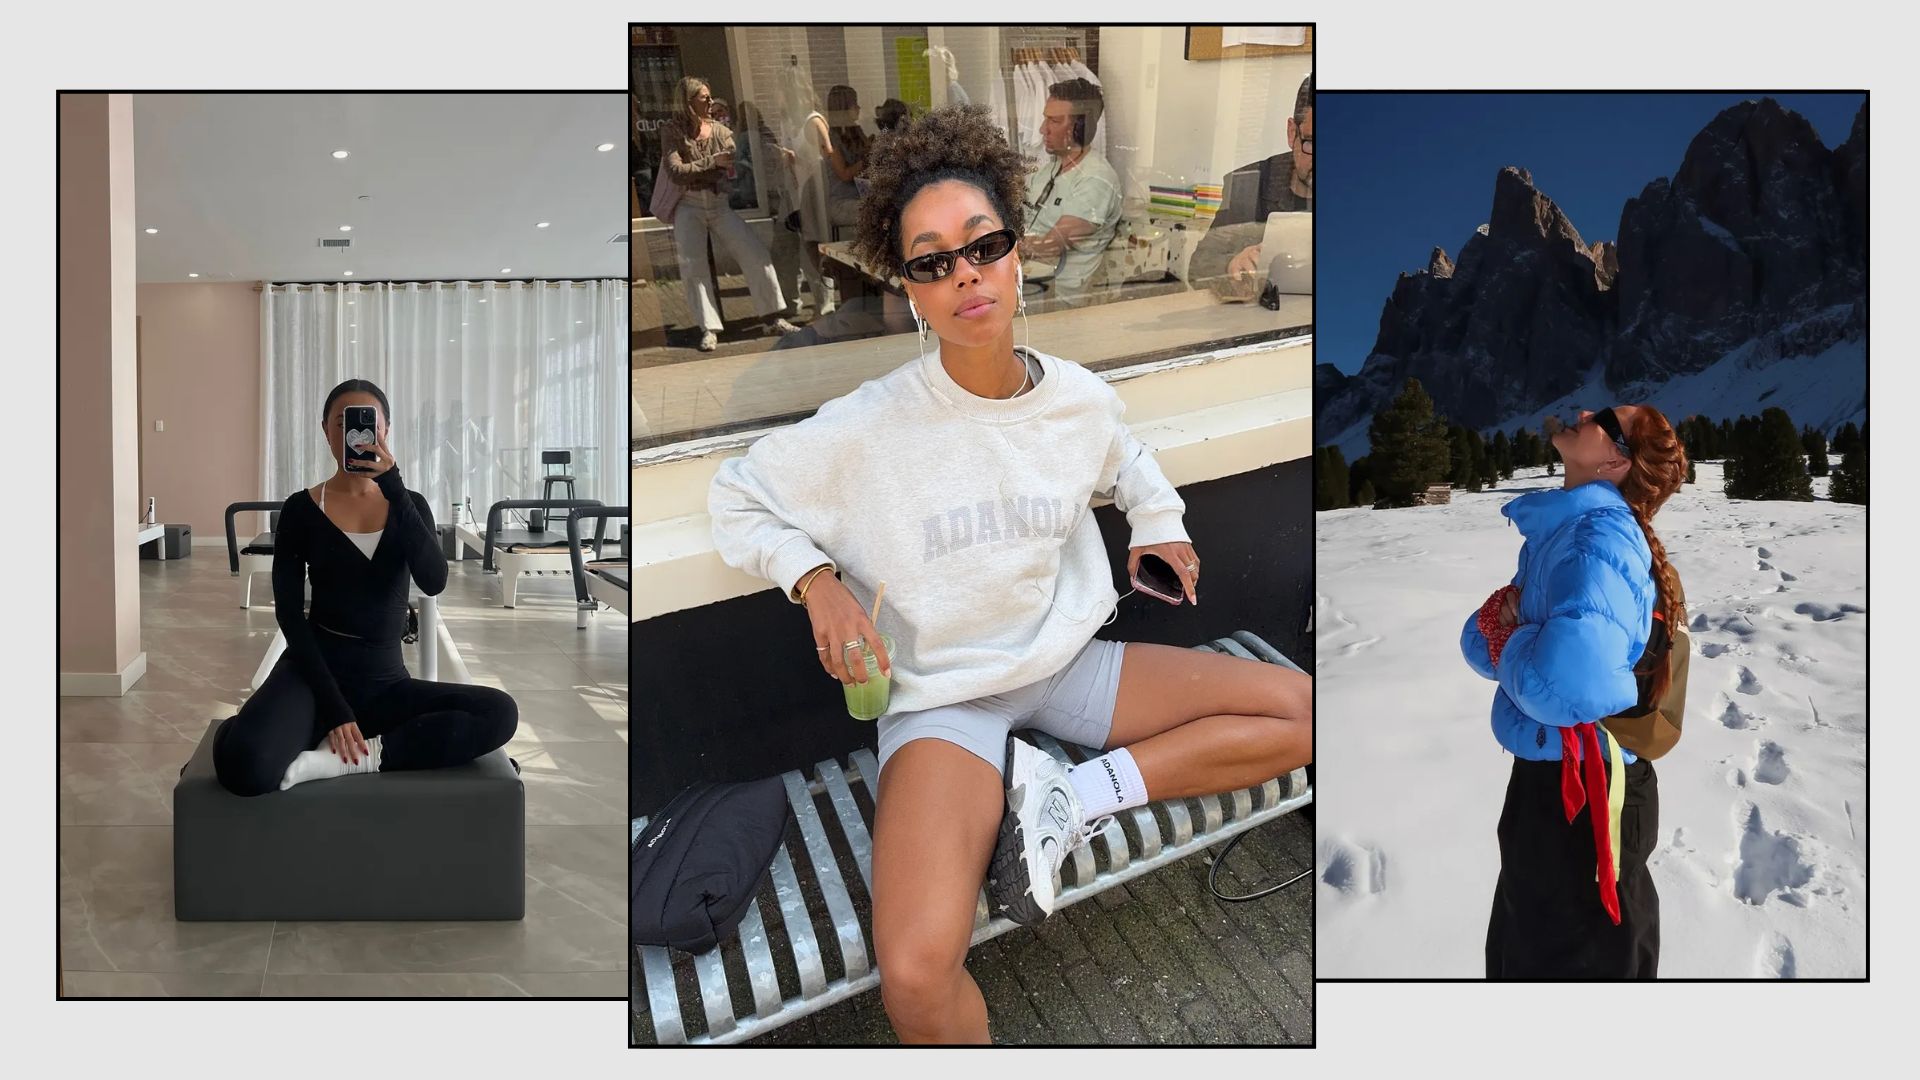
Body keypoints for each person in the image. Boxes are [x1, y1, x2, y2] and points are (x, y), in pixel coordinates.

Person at [707, 105, 1312, 1043]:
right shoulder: (871, 425)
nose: (965, 274)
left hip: (1066, 665)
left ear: (1016, 251)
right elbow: (738, 496)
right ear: (909, 288)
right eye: (931, 261)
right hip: (945, 697)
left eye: (982, 245)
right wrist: (816, 585)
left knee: (1305, 712)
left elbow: (1126, 455)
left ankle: (1071, 799)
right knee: (916, 976)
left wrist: (1159, 524)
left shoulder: (1077, 398)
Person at [1463, 405, 1687, 979]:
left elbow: (1565, 688)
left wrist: (1514, 632)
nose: (1586, 410)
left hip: (1585, 798)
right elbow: (1480, 645)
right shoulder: (1567, 533)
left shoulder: (1597, 538)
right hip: (1560, 782)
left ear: (1615, 461)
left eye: (1606, 418)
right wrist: (1509, 629)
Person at [211, 381, 519, 796]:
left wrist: (394, 485)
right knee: (246, 769)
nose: (354, 433)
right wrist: (336, 709)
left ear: (385, 430)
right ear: (326, 431)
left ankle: (359, 758)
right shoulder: (301, 509)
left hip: (386, 683)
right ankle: (250, 727)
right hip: (314, 677)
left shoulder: (410, 504)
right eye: (342, 423)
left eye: (367, 423)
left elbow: (433, 581)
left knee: (499, 713)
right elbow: (289, 613)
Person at [661, 76, 800, 351]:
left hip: (718, 203)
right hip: (688, 204)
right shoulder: (672, 130)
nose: (710, 102)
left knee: (755, 253)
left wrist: (699, 168)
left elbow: (724, 166)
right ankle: (709, 328)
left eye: (710, 96)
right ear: (689, 101)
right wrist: (710, 163)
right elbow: (675, 172)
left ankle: (772, 317)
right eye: (704, 97)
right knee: (693, 266)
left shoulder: (720, 131)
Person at [1190, 72, 1314, 283]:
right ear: (1292, 132)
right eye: (1311, 143)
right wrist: (1231, 264)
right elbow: (1199, 265)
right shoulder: (1249, 184)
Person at [1018, 78, 1124, 302]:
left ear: (1080, 129)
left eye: (1054, 121)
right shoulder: (1048, 170)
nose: (1042, 129)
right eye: (1045, 119)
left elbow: (1050, 247)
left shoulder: (1096, 180)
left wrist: (998, 247)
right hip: (1030, 284)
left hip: (1060, 299)